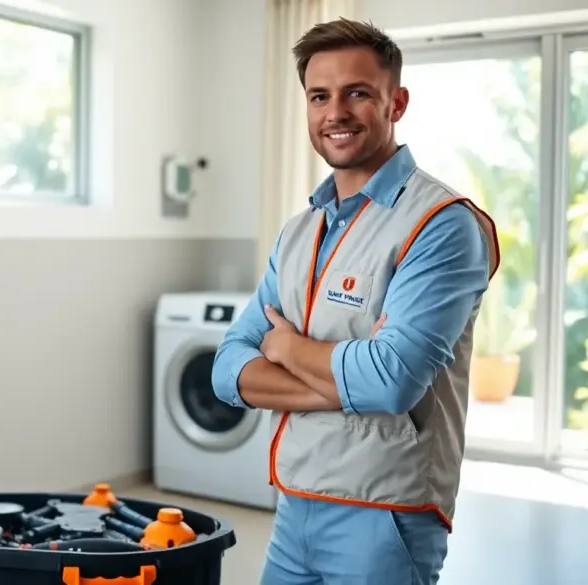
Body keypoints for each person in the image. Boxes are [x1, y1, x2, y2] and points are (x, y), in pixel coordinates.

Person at [210, 18, 501, 585]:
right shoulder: (299, 231)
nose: (335, 113)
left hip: (386, 513)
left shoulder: (441, 224)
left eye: (357, 93)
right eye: (320, 96)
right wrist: (345, 381)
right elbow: (227, 372)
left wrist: (285, 346)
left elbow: (390, 382)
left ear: (397, 103)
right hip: (295, 505)